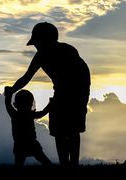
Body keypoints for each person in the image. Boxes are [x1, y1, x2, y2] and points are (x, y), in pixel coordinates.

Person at [8, 22, 91, 166]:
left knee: (72, 130)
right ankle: (65, 164)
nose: (36, 46)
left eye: (37, 42)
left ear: (46, 39)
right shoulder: (41, 56)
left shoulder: (67, 50)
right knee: (60, 130)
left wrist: (80, 100)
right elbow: (27, 77)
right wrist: (12, 89)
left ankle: (74, 164)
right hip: (62, 91)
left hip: (78, 91)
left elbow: (81, 76)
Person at [4, 87, 52, 167]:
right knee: (47, 163)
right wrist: (50, 104)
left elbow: (7, 104)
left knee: (18, 165)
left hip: (20, 145)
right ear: (30, 103)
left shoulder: (15, 115)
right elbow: (43, 113)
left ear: (17, 103)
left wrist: (8, 95)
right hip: (32, 144)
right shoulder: (30, 114)